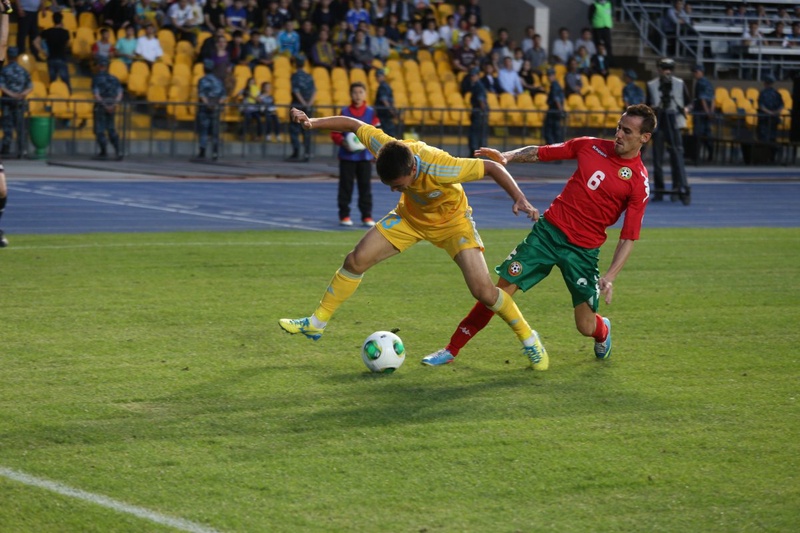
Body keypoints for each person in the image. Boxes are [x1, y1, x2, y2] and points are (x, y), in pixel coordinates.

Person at [278, 107, 547, 367]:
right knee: (355, 260)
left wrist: (519, 197)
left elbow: (491, 167)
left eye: (399, 185)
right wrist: (312, 122)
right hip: (410, 219)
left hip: (453, 223)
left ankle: (529, 338)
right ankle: (317, 323)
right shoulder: (387, 148)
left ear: (413, 171)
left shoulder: (441, 167)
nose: (395, 190)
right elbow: (352, 124)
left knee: (484, 292)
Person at [421, 105, 656, 369]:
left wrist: (610, 276)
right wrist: (506, 156)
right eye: (618, 127)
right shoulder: (589, 146)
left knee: (585, 326)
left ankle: (602, 331)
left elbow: (629, 237)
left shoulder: (638, 181)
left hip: (583, 252)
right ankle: (451, 348)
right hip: (547, 234)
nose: (618, 135)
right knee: (495, 294)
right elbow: (542, 152)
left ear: (644, 138)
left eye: (627, 131)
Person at [331, 82, 379, 227]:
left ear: (365, 94)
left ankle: (366, 216)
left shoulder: (371, 113)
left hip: (365, 157)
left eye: (360, 92)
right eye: (355, 93)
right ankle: (344, 215)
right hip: (347, 157)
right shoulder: (344, 112)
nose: (357, 95)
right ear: (350, 95)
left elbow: (377, 133)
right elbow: (335, 132)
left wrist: (375, 150)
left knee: (365, 187)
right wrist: (342, 142)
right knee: (346, 186)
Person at [646, 57, 690, 203]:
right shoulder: (651, 85)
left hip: (675, 123)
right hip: (659, 123)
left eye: (669, 69)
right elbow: (647, 105)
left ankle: (677, 190)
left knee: (676, 156)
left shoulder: (680, 83)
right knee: (657, 159)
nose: (667, 72)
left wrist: (685, 109)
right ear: (658, 69)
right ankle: (659, 190)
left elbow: (689, 103)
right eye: (664, 68)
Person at [0, 47, 32, 156]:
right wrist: (21, 95)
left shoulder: (4, 70)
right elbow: (30, 86)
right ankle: (21, 151)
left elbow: (2, 86)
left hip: (7, 103)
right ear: (17, 57)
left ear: (8, 56)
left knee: (7, 127)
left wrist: (12, 95)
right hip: (19, 103)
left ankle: (5, 151)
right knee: (20, 127)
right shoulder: (23, 71)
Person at [91, 57, 123, 159]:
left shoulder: (96, 79)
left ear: (99, 66)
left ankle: (104, 152)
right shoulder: (114, 78)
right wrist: (113, 105)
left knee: (99, 129)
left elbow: (96, 95)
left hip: (101, 106)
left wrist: (105, 105)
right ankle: (118, 151)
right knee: (111, 129)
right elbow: (119, 94)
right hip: (112, 105)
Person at [195, 58, 226, 160]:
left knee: (203, 131)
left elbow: (202, 95)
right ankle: (215, 153)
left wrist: (208, 104)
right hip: (216, 109)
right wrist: (216, 105)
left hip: (204, 109)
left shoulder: (202, 80)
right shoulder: (219, 81)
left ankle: (202, 152)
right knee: (215, 132)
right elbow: (223, 96)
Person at [287, 54, 315, 162]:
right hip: (307, 106)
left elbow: (296, 91)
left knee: (294, 130)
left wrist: (303, 103)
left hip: (297, 106)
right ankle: (307, 153)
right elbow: (314, 91)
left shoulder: (295, 76)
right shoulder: (309, 76)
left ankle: (296, 152)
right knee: (307, 130)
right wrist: (308, 104)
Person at [34, 11, 71, 91]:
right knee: (66, 81)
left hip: (50, 58)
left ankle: (51, 96)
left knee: (52, 81)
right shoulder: (65, 32)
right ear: (61, 20)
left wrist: (42, 51)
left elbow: (35, 42)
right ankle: (69, 96)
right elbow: (68, 45)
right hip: (61, 58)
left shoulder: (47, 31)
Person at [756, 73, 784, 162]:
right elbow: (781, 106)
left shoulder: (763, 93)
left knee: (764, 139)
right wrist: (774, 113)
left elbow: (761, 106)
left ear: (765, 83)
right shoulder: (777, 94)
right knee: (772, 139)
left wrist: (769, 113)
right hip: (773, 120)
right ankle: (772, 158)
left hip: (765, 120)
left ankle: (764, 159)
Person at [691, 64, 714, 162]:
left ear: (701, 72)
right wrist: (711, 111)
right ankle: (710, 155)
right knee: (707, 135)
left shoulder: (700, 83)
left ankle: (696, 158)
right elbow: (713, 99)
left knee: (698, 135)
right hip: (706, 114)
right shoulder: (708, 82)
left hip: (700, 113)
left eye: (696, 72)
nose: (694, 74)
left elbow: (702, 99)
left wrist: (707, 111)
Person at [467, 67, 488, 156]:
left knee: (475, 134)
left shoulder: (478, 86)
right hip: (479, 113)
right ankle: (477, 152)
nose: (472, 77)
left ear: (478, 76)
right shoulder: (476, 85)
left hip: (479, 113)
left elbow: (481, 100)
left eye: (474, 75)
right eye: (471, 75)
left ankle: (475, 153)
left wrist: (483, 111)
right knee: (477, 134)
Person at [544, 67, 565, 145]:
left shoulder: (554, 85)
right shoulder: (556, 84)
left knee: (549, 132)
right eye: (548, 75)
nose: (549, 77)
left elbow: (557, 99)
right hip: (555, 111)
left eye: (551, 75)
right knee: (556, 132)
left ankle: (552, 149)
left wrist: (560, 110)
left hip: (554, 111)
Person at [373, 68, 397, 137]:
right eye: (377, 76)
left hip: (384, 114)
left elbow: (384, 100)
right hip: (385, 114)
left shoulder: (383, 87)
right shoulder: (385, 86)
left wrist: (391, 111)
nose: (377, 78)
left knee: (386, 134)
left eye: (379, 76)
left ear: (383, 76)